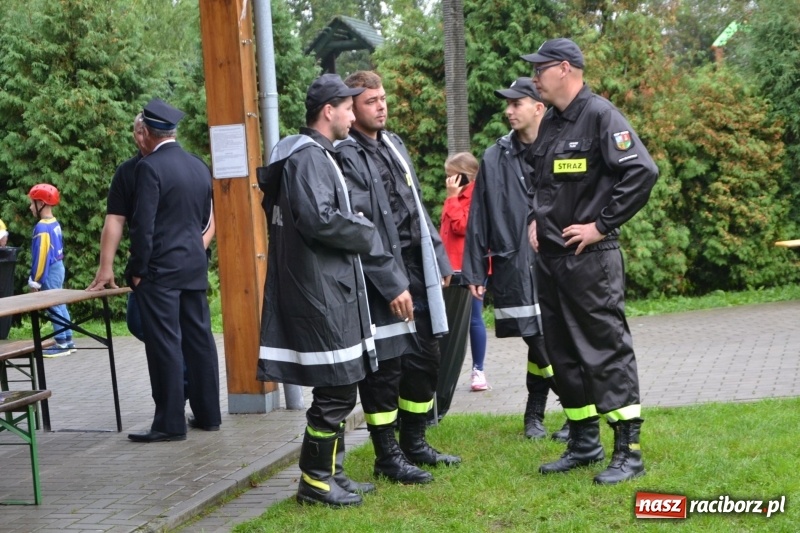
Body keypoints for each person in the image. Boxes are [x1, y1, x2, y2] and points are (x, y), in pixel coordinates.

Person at [523, 38, 658, 484]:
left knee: (605, 350)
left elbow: (642, 171)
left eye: (540, 69)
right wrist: (532, 221)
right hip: (552, 261)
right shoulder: (552, 124)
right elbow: (543, 185)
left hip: (590, 259)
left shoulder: (601, 115)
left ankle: (628, 451)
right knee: (562, 352)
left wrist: (601, 225)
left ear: (564, 69)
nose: (534, 77)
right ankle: (584, 442)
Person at [256, 73, 381, 507]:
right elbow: (320, 219)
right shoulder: (309, 157)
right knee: (337, 389)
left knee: (338, 387)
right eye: (348, 108)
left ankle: (332, 474)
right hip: (319, 291)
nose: (352, 115)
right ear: (329, 111)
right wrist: (365, 228)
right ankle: (315, 481)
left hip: (327, 287)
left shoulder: (313, 154)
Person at [339, 70, 460, 481]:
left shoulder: (394, 143)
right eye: (371, 100)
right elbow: (360, 228)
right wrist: (392, 284)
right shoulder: (346, 154)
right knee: (386, 367)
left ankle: (415, 442)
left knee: (426, 357)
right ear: (352, 108)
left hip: (415, 265)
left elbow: (417, 207)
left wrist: (439, 260)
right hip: (380, 278)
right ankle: (387, 455)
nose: (381, 106)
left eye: (383, 98)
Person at [462, 78, 568, 442]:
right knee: (536, 338)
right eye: (506, 104)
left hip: (558, 263)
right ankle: (577, 408)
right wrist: (474, 269)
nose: (508, 110)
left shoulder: (562, 146)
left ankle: (534, 416)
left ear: (539, 107)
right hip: (514, 265)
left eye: (516, 103)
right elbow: (479, 216)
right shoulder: (494, 156)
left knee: (550, 339)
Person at [125, 98, 221, 444]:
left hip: (160, 272)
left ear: (148, 133)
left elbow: (143, 226)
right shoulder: (198, 166)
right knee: (200, 342)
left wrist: (136, 269)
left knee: (165, 344)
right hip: (194, 266)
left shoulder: (149, 168)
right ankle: (209, 414)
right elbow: (205, 218)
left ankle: (169, 423)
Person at [440, 152, 489, 392]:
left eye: (452, 176)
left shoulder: (476, 197)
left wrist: (452, 199)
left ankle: (478, 370)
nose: (448, 182)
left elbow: (462, 227)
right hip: (450, 266)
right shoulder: (455, 196)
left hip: (470, 266)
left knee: (474, 318)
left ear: (464, 176)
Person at [26, 184, 76, 357]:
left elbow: (41, 258)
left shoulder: (41, 227)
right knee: (59, 303)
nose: (30, 207)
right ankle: (68, 340)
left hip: (49, 269)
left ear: (41, 203)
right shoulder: (54, 223)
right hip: (58, 267)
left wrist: (36, 280)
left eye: (33, 203)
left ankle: (61, 343)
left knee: (52, 306)